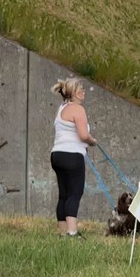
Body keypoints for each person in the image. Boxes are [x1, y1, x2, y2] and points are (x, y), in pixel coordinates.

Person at [50, 77, 95, 237]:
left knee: (63, 194)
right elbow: (83, 135)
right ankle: (72, 232)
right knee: (75, 193)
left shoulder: (62, 108)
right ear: (74, 93)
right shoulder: (78, 109)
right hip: (73, 156)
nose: (84, 92)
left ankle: (62, 231)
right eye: (81, 89)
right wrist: (92, 141)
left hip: (57, 155)